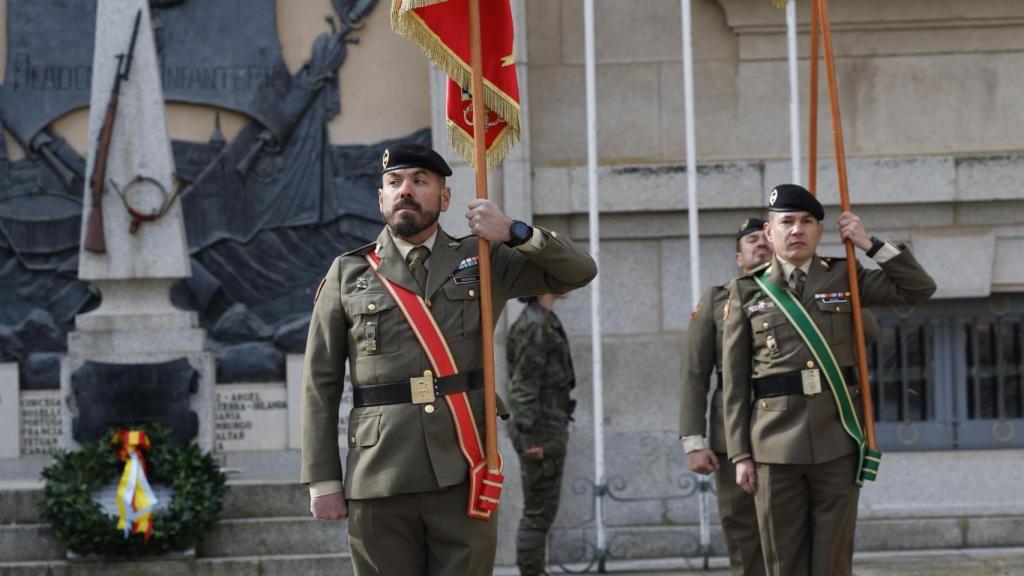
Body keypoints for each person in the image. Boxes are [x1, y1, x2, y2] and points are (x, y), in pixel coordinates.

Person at [301, 142, 597, 575]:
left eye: (420, 182)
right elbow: (320, 384)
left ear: (444, 198)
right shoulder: (349, 274)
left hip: (463, 466)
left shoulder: (481, 258)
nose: (406, 190)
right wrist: (322, 480)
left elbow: (579, 271)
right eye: (394, 182)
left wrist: (513, 231)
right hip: (380, 472)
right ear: (380, 197)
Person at [722, 184, 936, 576]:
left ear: (820, 232)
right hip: (773, 447)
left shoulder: (844, 274)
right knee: (783, 562)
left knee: (833, 562)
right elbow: (735, 385)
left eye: (807, 222)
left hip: (836, 439)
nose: (797, 230)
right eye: (786, 222)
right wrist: (740, 455)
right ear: (770, 233)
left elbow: (919, 289)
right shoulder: (745, 292)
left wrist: (869, 244)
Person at [680, 218, 771, 576]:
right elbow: (694, 371)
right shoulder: (718, 299)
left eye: (766, 236)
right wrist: (693, 441)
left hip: (792, 428)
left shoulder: (803, 291)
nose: (760, 243)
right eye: (752, 239)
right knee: (744, 533)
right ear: (739, 256)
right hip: (731, 436)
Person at [507, 293, 576, 576]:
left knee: (541, 512)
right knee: (538, 513)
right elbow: (523, 385)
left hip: (547, 425)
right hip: (540, 430)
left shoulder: (542, 319)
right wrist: (530, 438)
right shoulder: (536, 325)